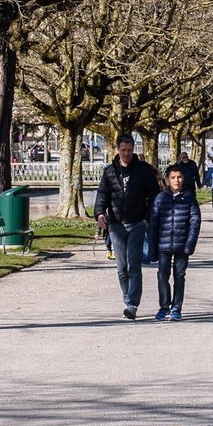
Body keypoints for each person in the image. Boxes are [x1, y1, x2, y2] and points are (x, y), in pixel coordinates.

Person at [94, 134, 160, 319]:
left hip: (137, 223)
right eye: (123, 150)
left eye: (130, 150)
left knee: (133, 265)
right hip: (115, 225)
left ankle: (132, 305)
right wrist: (99, 213)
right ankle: (127, 297)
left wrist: (147, 218)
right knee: (121, 267)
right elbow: (102, 195)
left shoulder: (144, 171)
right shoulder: (109, 172)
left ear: (134, 149)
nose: (126, 153)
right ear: (117, 150)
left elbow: (155, 196)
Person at [146, 167, 202, 321]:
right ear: (167, 179)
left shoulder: (189, 198)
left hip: (182, 245)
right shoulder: (160, 198)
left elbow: (195, 222)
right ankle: (164, 306)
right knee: (162, 276)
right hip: (163, 245)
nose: (176, 180)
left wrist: (190, 243)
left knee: (179, 276)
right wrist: (152, 248)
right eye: (173, 177)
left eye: (179, 177)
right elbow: (153, 224)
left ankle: (176, 307)